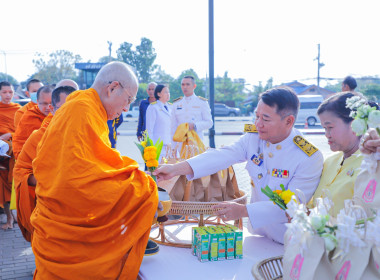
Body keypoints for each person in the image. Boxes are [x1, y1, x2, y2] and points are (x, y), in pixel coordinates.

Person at [30, 61, 158, 280]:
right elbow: (81, 180)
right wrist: (143, 187)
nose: (127, 108)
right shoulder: (82, 110)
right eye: (128, 99)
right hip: (69, 238)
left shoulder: (86, 109)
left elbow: (97, 162)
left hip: (59, 232)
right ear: (112, 88)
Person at [155, 86, 323, 244]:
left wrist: (244, 211)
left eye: (265, 119)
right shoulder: (254, 138)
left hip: (288, 240)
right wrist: (175, 169)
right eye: (257, 116)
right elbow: (221, 156)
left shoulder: (308, 157)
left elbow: (290, 207)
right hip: (257, 235)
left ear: (289, 121)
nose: (258, 124)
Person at [14, 86, 76, 242]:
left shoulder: (84, 134)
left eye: (74, 108)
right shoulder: (39, 136)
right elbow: (20, 171)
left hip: (76, 210)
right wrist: (48, 179)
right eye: (64, 108)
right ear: (52, 109)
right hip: (48, 209)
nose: (70, 113)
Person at [310, 92, 364, 216]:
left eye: (330, 127)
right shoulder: (330, 162)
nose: (326, 134)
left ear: (355, 125)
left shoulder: (370, 165)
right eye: (324, 128)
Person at [0, 81, 21, 230]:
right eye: (4, 92)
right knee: (3, 187)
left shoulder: (19, 110)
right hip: (1, 155)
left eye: (10, 92)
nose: (8, 95)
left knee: (17, 185)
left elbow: (24, 131)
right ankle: (9, 218)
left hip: (16, 152)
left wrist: (10, 135)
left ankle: (20, 216)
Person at [12, 85, 53, 159]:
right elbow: (20, 142)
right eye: (44, 103)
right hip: (30, 159)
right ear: (37, 102)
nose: (48, 107)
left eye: (51, 103)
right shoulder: (29, 117)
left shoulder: (59, 115)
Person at [171, 75, 213, 146]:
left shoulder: (202, 102)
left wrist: (195, 125)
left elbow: (209, 122)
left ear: (194, 86)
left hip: (196, 143)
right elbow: (172, 127)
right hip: (180, 144)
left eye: (188, 84)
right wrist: (173, 146)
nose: (185, 87)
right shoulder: (176, 103)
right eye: (183, 84)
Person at [146, 84, 172, 159]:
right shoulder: (153, 107)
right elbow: (149, 130)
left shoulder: (171, 107)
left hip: (170, 146)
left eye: (168, 92)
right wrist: (151, 147)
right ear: (159, 94)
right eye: (165, 92)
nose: (168, 94)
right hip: (158, 147)